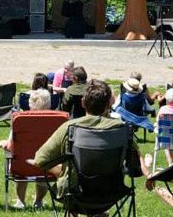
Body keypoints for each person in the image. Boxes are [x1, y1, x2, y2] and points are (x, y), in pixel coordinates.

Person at [34, 79, 142, 216]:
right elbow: (135, 166)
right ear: (109, 103)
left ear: (83, 103)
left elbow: (40, 159)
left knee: (69, 176)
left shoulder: (69, 128)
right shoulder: (123, 129)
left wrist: (63, 170)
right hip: (111, 193)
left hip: (75, 194)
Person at [0, 89, 52, 209]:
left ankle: (20, 201)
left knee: (19, 162)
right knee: (44, 164)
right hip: (47, 166)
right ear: (49, 104)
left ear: (30, 104)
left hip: (23, 166)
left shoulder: (20, 120)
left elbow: (11, 145)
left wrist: (4, 144)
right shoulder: (58, 120)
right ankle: (38, 201)